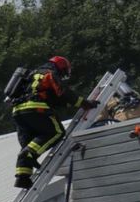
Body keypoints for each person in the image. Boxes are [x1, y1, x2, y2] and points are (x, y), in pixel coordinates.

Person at [9, 55, 99, 189]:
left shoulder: (31, 76)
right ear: (62, 68)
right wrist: (85, 103)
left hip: (18, 111)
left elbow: (55, 98)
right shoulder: (50, 73)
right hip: (36, 108)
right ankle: (28, 155)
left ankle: (22, 177)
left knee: (29, 144)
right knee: (56, 132)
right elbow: (64, 93)